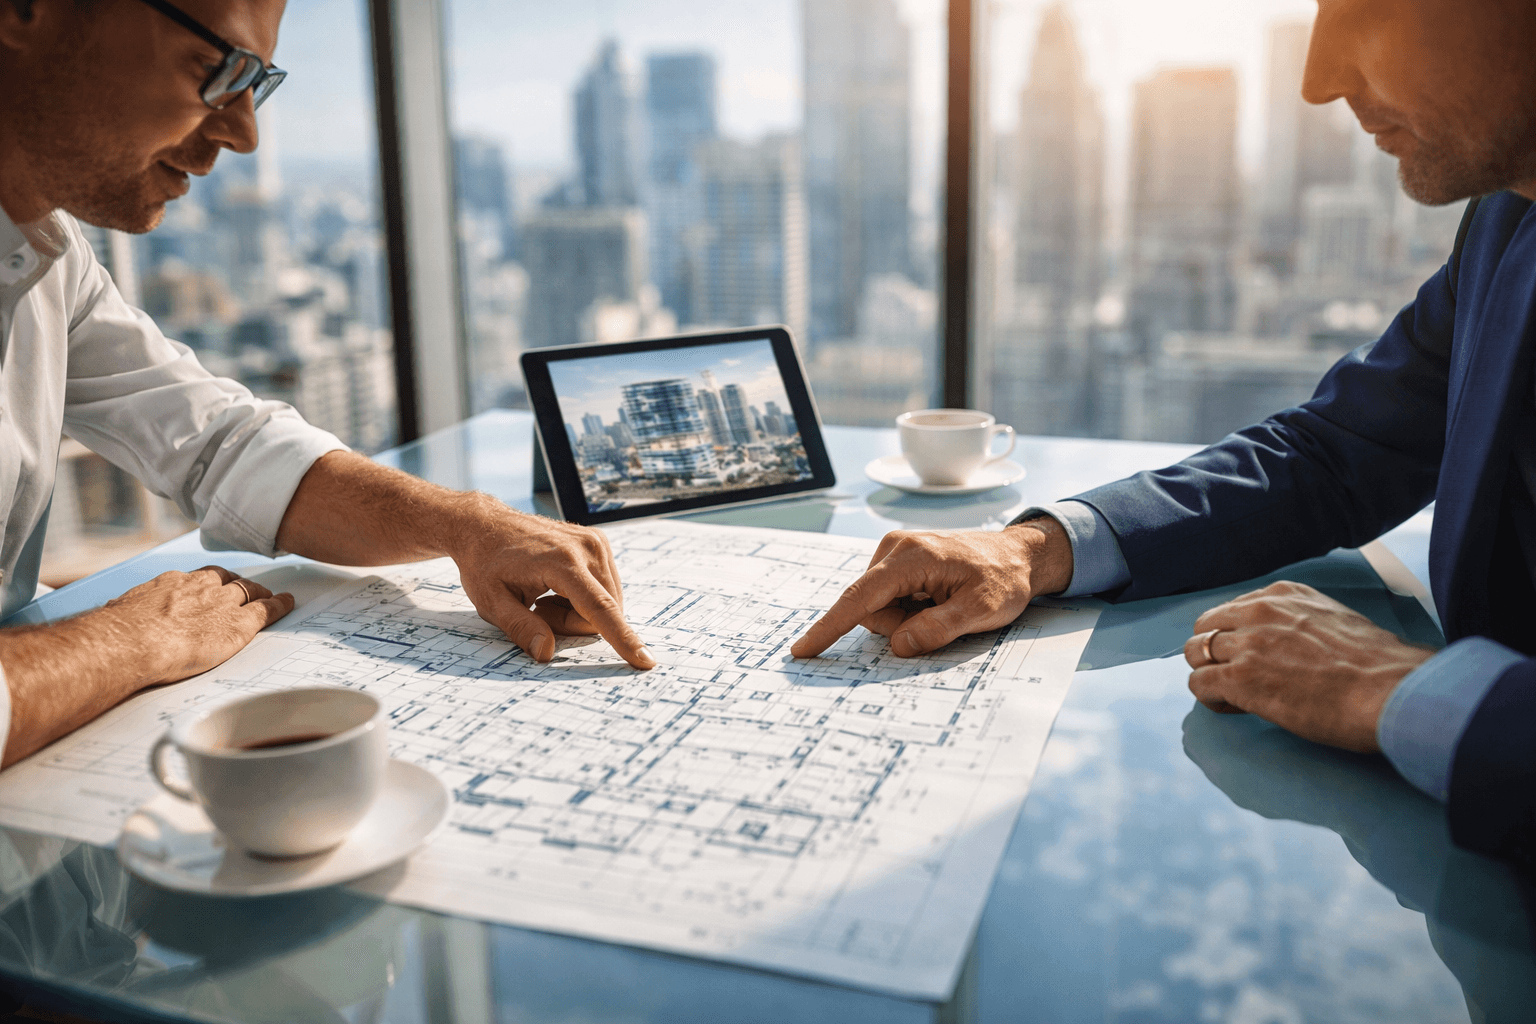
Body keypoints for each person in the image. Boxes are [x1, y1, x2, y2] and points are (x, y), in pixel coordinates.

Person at [794, 0, 1536, 872]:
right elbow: (1333, 454)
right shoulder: (1506, 224)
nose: (1318, 80)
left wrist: (1406, 693)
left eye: (1365, 10)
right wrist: (1037, 550)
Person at [0, 0, 656, 770]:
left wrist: (465, 525)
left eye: (258, 83)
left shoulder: (44, 249)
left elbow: (219, 445)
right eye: (218, 67)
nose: (244, 132)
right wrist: (127, 641)